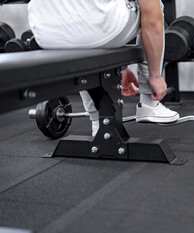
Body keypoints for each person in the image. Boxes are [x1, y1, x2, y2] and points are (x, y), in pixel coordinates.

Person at [27, 0, 180, 136]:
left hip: (44, 31)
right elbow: (152, 19)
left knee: (80, 40)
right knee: (154, 5)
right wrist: (155, 76)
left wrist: (119, 65)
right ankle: (149, 103)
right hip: (95, 26)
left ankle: (97, 120)